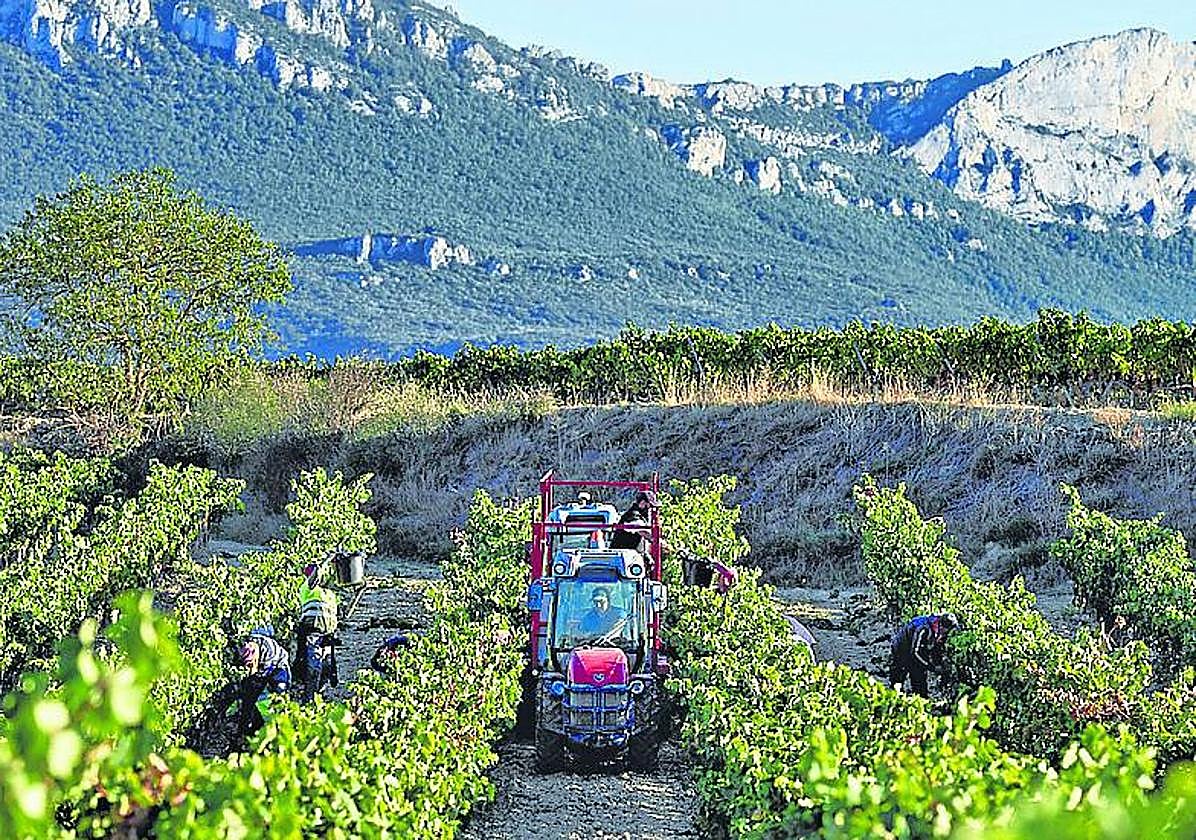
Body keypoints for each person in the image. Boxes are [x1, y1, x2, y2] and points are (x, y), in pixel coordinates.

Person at [232, 630, 292, 746]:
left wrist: (253, 676)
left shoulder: (269, 651)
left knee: (279, 691)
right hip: (262, 668)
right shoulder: (246, 646)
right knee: (248, 698)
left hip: (278, 667)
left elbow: (261, 674)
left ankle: (277, 726)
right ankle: (244, 730)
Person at [889, 613, 959, 697]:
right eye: (948, 630)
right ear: (942, 627)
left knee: (920, 684)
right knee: (898, 681)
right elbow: (915, 654)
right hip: (902, 649)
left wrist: (938, 664)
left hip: (920, 647)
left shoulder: (941, 632)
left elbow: (936, 649)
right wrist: (932, 668)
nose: (948, 632)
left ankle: (920, 699)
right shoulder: (923, 629)